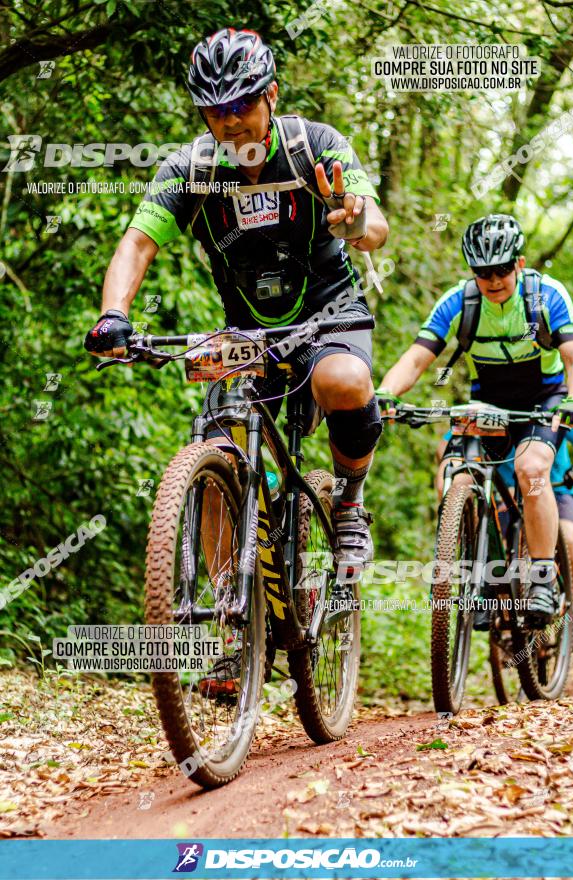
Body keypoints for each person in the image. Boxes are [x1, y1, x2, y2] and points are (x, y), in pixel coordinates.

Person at [84, 28, 388, 692]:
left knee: (344, 379)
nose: (227, 122)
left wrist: (351, 216)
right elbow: (138, 243)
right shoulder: (190, 167)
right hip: (243, 329)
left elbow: (372, 223)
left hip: (327, 314)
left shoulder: (316, 145)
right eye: (213, 110)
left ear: (270, 97)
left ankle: (348, 506)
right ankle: (231, 631)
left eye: (240, 106)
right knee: (219, 447)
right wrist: (113, 315)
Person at [378, 213, 573, 629]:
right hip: (487, 402)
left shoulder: (548, 296)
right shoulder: (460, 301)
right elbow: (419, 357)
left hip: (542, 400)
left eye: (502, 271)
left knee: (531, 470)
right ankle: (478, 571)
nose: (492, 281)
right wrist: (384, 393)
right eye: (482, 273)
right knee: (454, 475)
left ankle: (543, 577)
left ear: (520, 264)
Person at [435, 427, 573, 649]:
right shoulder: (489, 411)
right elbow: (447, 444)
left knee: (569, 537)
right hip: (506, 494)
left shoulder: (548, 408)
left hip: (556, 489)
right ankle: (506, 608)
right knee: (502, 551)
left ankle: (571, 608)